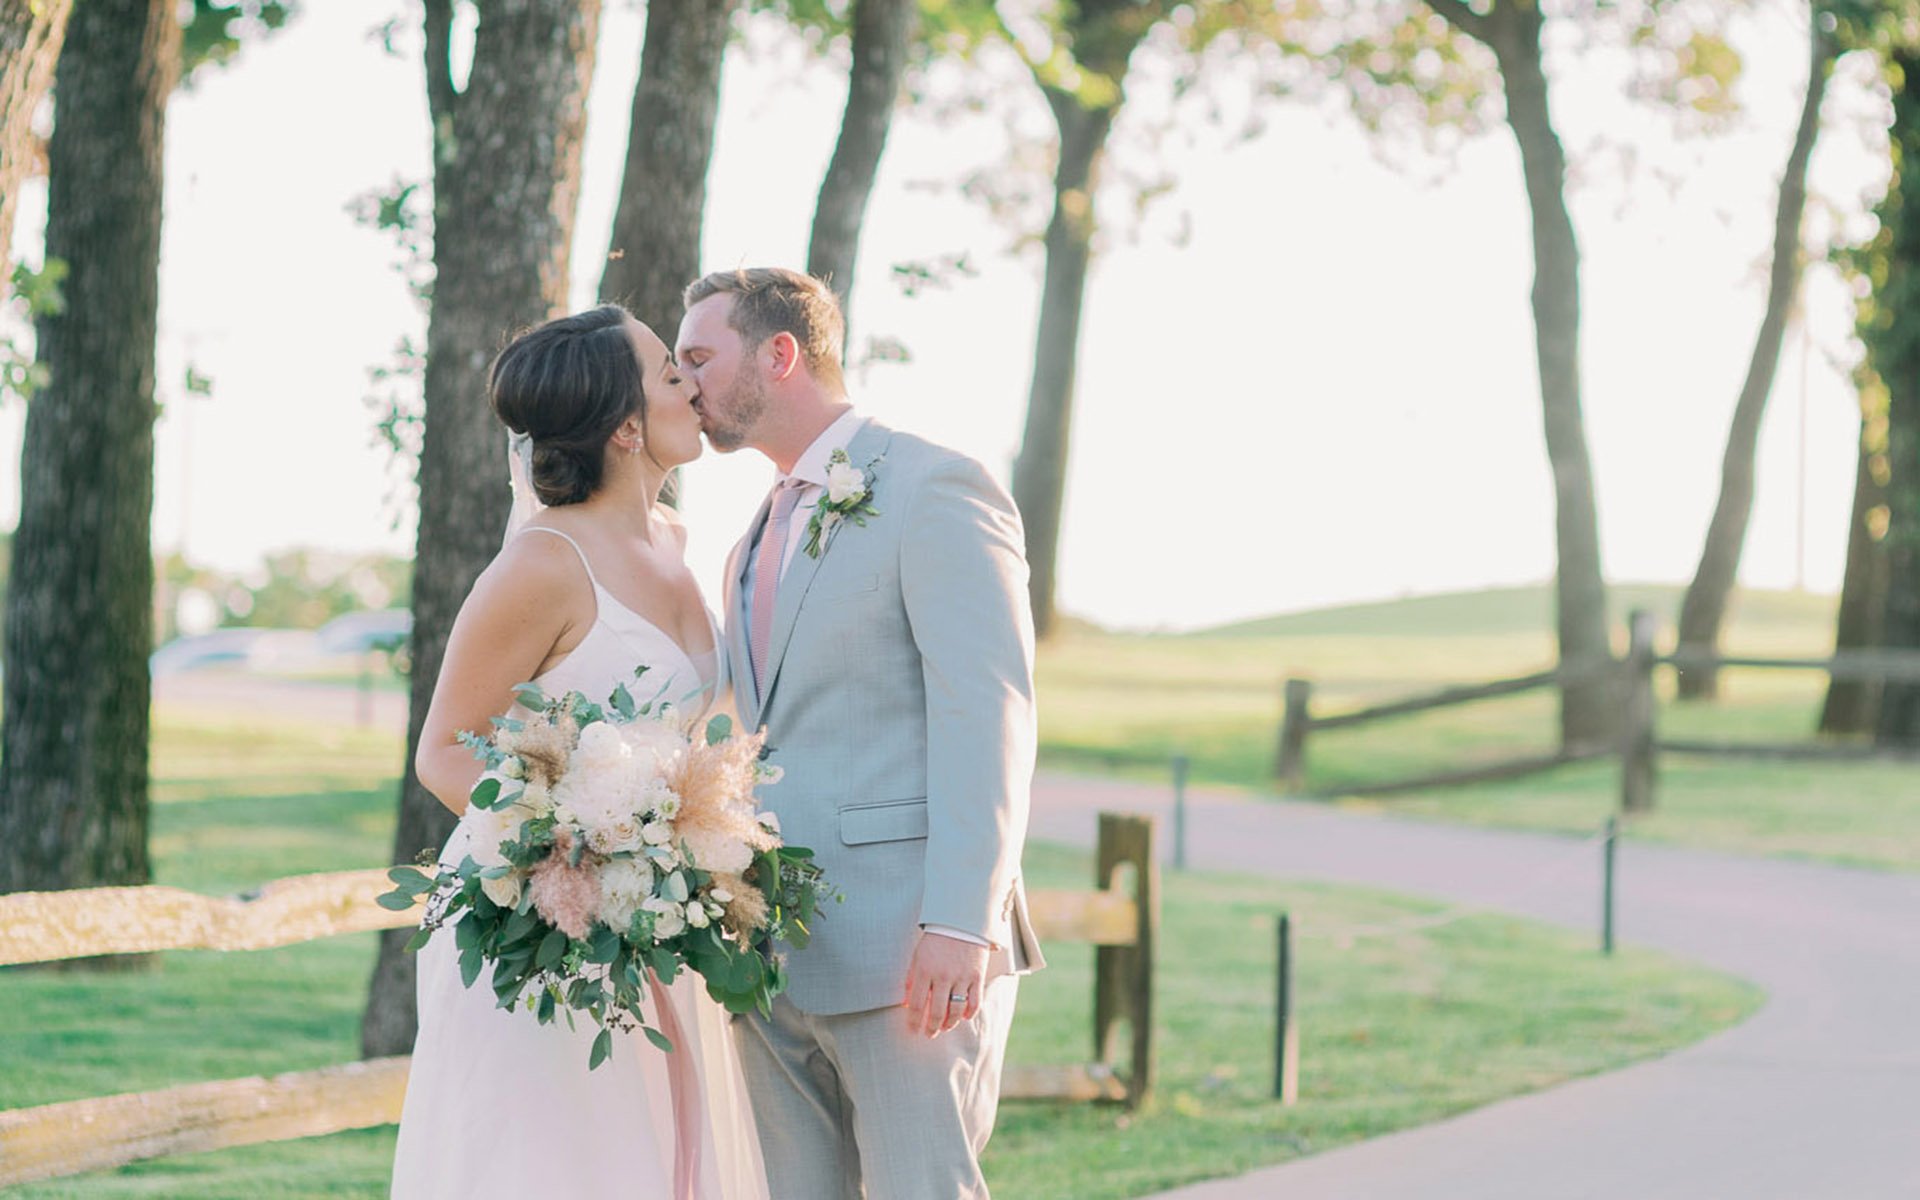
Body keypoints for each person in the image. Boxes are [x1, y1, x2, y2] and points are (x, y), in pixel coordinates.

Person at [676, 267, 1046, 1199]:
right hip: (772, 957)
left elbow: (987, 711)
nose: (685, 382)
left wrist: (960, 922)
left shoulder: (935, 486)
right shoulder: (748, 538)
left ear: (780, 354)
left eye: (700, 357)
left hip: (907, 953)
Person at [390, 304, 767, 1200]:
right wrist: (580, 858)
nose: (694, 386)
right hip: (548, 928)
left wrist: (669, 867)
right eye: (671, 373)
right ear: (626, 427)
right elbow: (444, 752)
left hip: (656, 918)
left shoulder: (678, 545)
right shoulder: (543, 563)